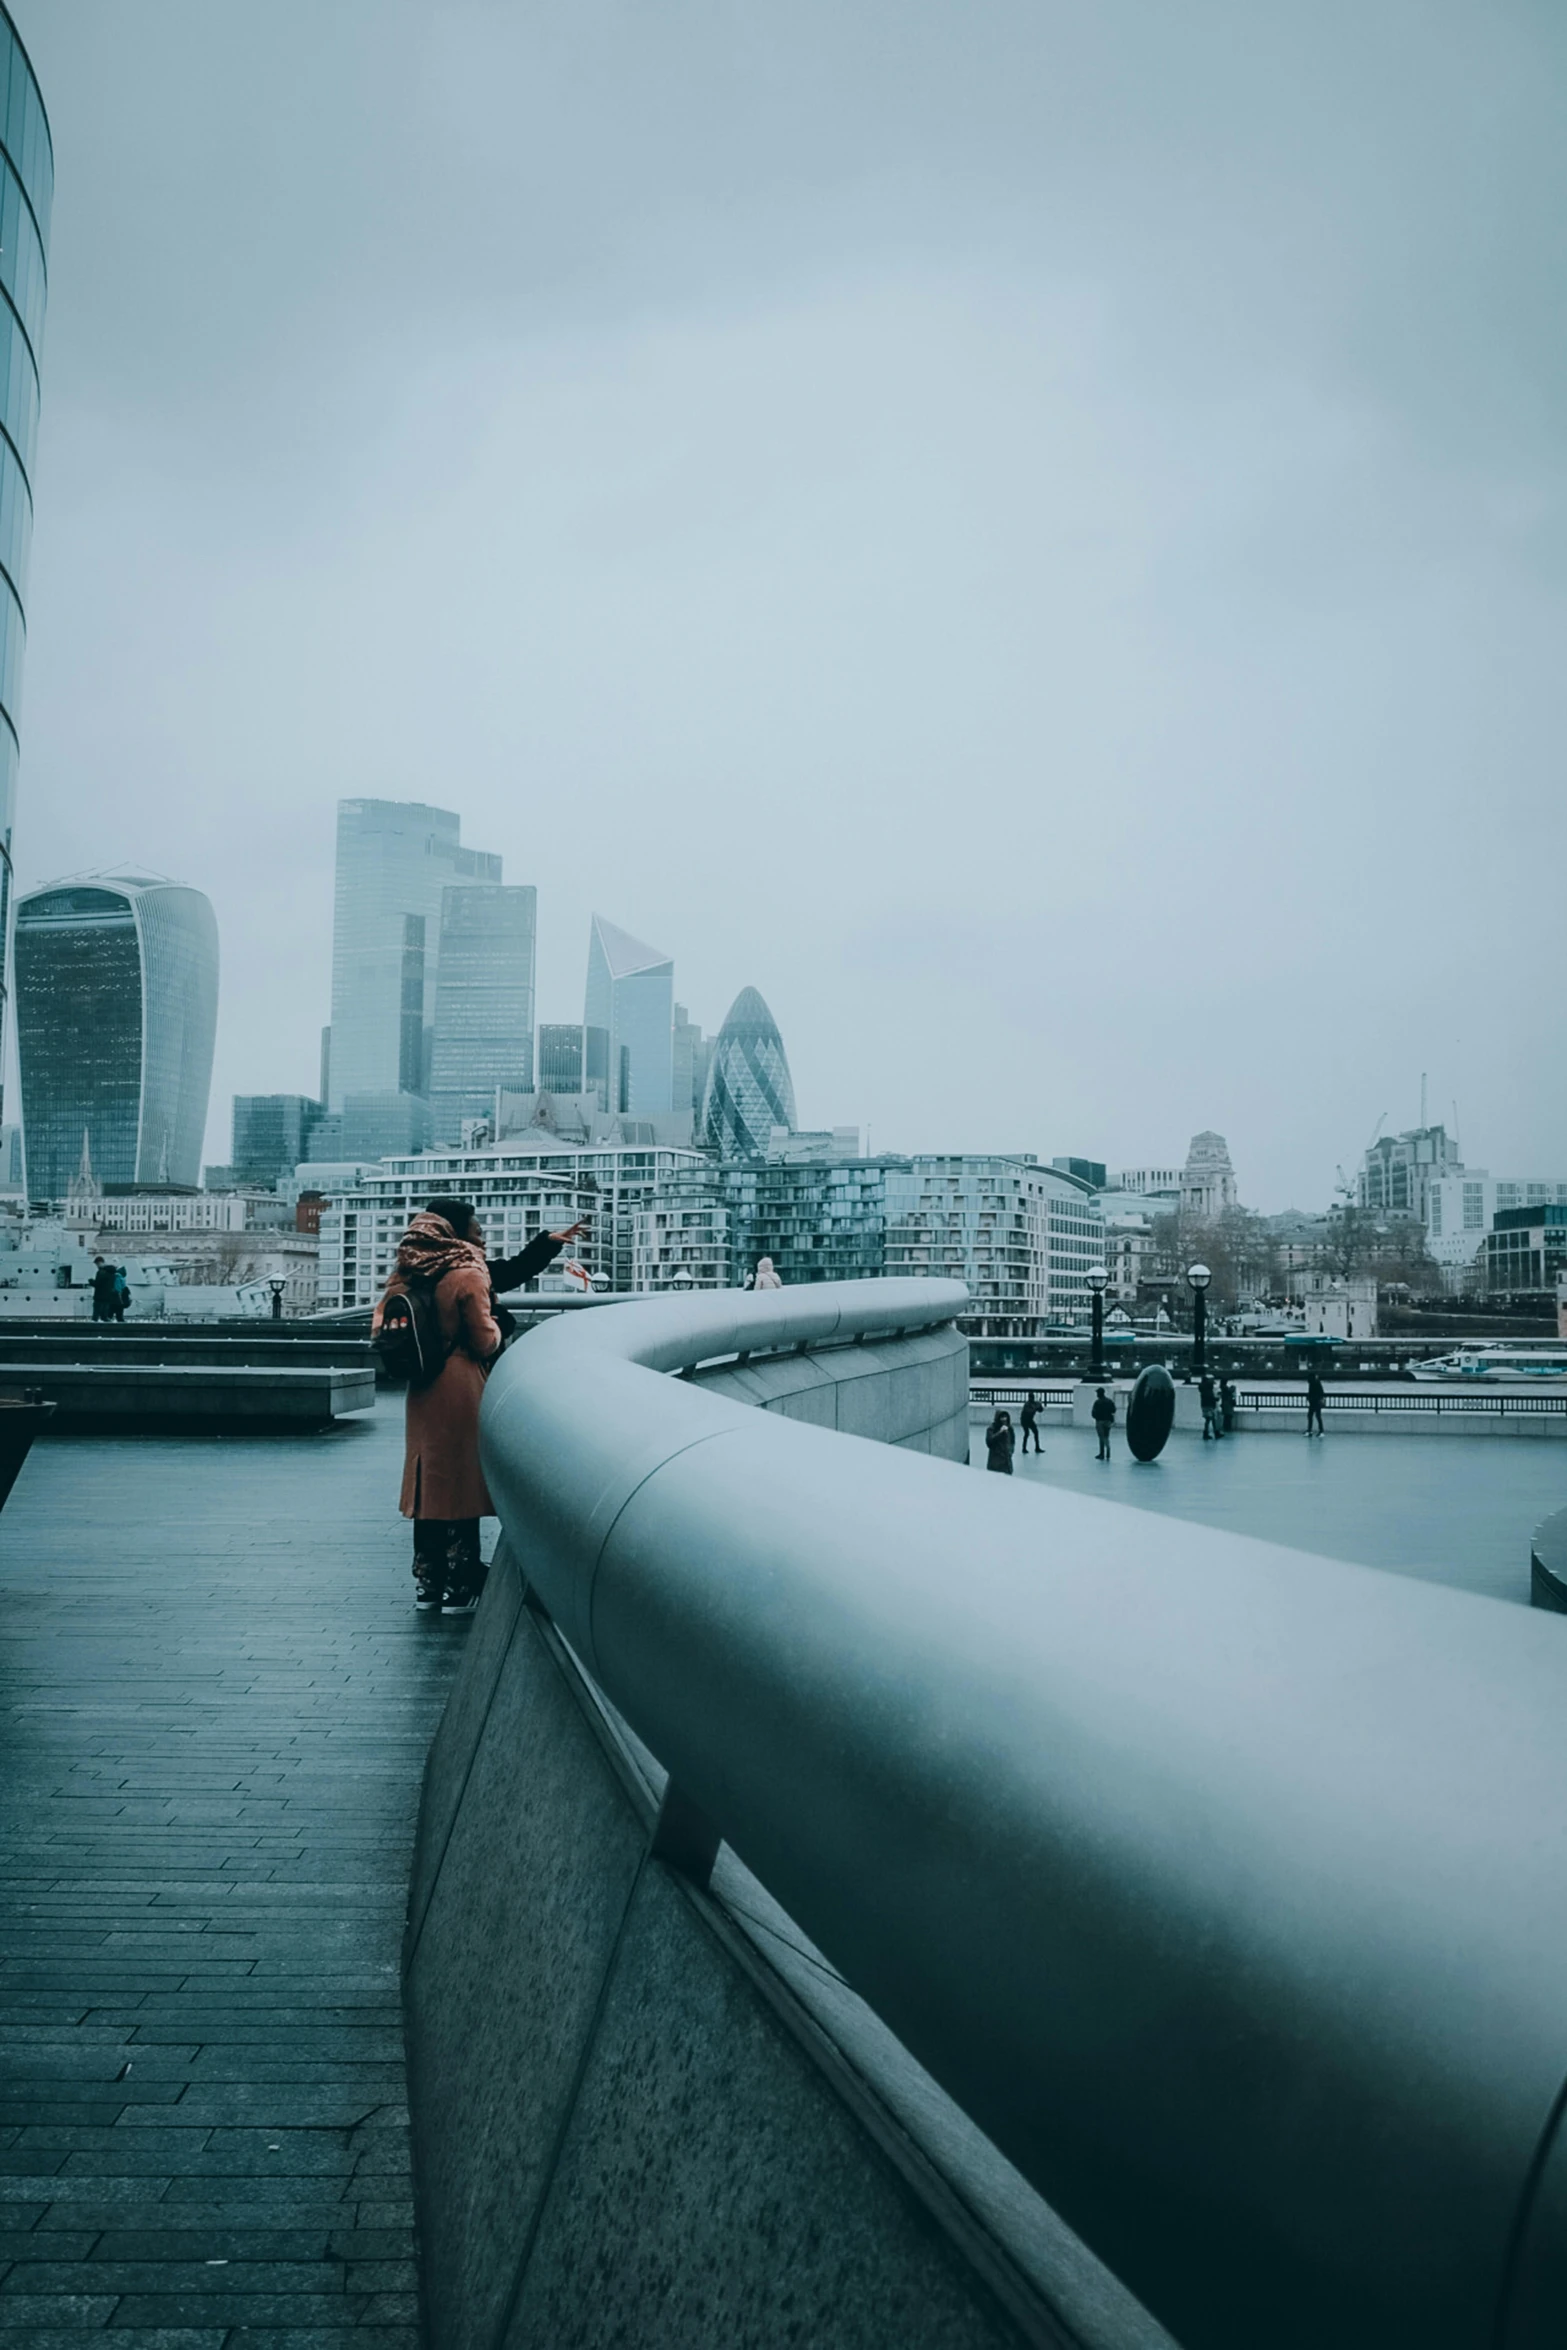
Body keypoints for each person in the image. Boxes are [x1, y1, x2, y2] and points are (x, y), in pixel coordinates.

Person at [374, 1199, 583, 1613]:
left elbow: (503, 1272)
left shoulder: (407, 1274)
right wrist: (504, 1324)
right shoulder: (466, 1273)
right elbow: (485, 1340)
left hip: (421, 1391)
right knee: (459, 1481)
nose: (482, 1231)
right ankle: (462, 1580)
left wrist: (544, 1246)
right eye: (476, 1225)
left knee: (428, 1484)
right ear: (456, 1231)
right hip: (460, 1383)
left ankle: (428, 1583)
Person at [487, 1219, 589, 1344]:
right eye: (477, 1233)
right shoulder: (473, 1271)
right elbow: (515, 1271)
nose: (483, 1241)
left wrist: (548, 1242)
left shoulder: (477, 1268)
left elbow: (516, 1270)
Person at [984, 1408, 1015, 1473]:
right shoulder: (991, 1429)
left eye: (1005, 1417)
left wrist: (1010, 1451)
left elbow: (1012, 1441)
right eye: (1002, 1417)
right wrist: (1000, 1433)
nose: (1004, 1419)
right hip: (996, 1462)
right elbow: (989, 1442)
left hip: (1007, 1461)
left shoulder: (1010, 1428)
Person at [1091, 1385, 1116, 1460]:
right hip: (1108, 1421)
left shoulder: (1097, 1402)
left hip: (1100, 1422)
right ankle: (1108, 1452)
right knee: (1106, 1437)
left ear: (1099, 1394)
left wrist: (1097, 1417)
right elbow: (1114, 1410)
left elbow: (1093, 1413)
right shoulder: (1109, 1401)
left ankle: (1102, 1453)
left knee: (1101, 1437)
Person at [90, 1256, 117, 1323]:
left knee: (96, 1314)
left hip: (99, 1295)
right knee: (105, 1314)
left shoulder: (101, 1272)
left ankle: (93, 1328)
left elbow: (98, 1284)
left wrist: (91, 1281)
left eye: (97, 1264)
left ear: (100, 1263)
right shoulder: (111, 1272)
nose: (97, 1266)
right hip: (108, 1295)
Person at [1199, 1372, 1222, 1441]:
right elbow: (1211, 1398)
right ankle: (1215, 1433)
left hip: (1205, 1405)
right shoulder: (1208, 1390)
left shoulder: (1203, 1389)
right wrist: (1217, 1398)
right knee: (1211, 1419)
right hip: (1209, 1406)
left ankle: (1207, 1433)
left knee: (1208, 1419)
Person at [1306, 1367, 1326, 1438]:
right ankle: (1319, 1431)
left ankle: (1312, 1430)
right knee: (1316, 1416)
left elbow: (1314, 1392)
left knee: (1312, 1416)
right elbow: (1321, 1393)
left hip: (1315, 1402)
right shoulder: (1316, 1382)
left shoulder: (1313, 1383)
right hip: (1315, 1402)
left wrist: (1309, 1397)